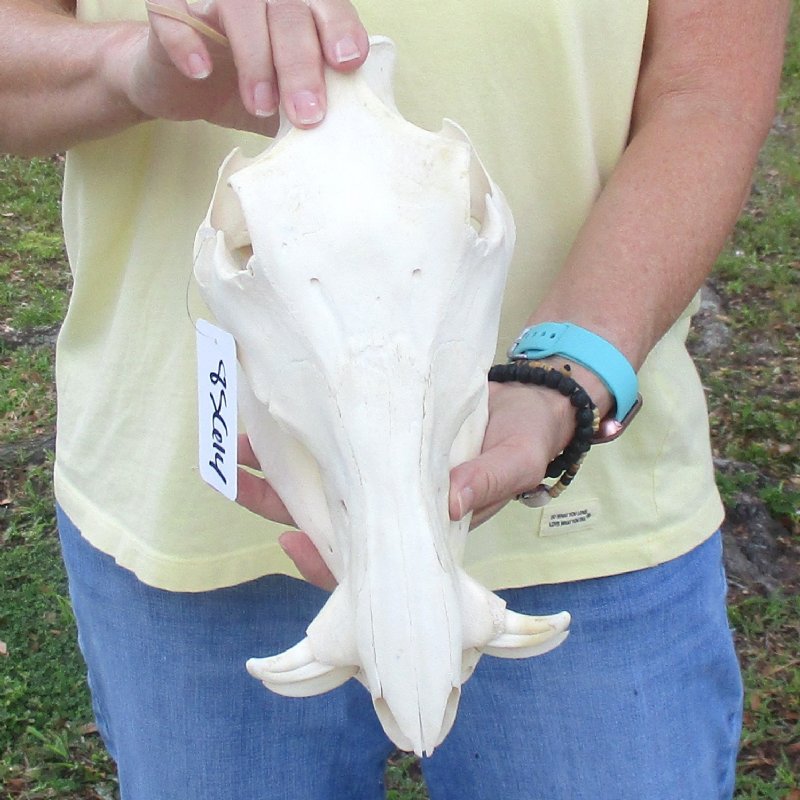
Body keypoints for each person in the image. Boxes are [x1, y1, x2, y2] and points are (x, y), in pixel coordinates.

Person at [0, 1, 789, 798]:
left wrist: (567, 375)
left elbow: (706, 92)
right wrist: (125, 69)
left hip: (585, 532)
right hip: (178, 515)